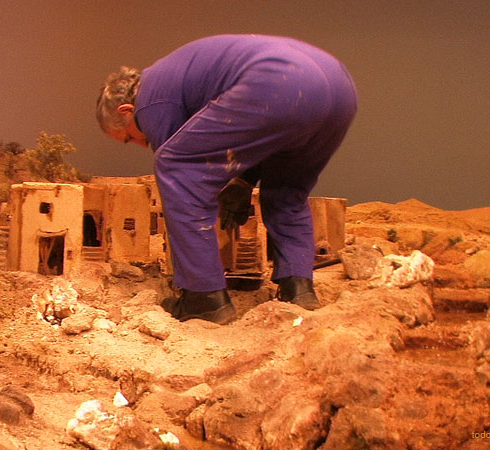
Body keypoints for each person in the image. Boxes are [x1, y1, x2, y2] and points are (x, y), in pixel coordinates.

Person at [96, 34, 357, 324]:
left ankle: (203, 298)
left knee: (174, 165)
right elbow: (255, 140)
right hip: (339, 89)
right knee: (286, 194)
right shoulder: (177, 75)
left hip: (278, 81)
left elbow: (190, 177)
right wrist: (244, 181)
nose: (141, 143)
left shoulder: (149, 100)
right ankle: (298, 288)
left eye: (129, 138)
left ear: (126, 111)